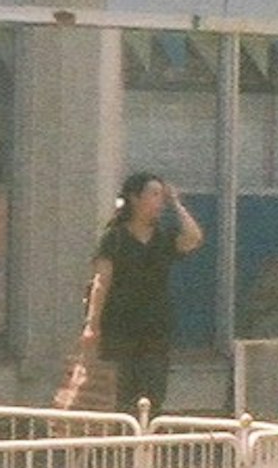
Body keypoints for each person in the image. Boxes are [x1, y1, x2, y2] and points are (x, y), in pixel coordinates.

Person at [67, 172, 201, 415]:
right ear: (135, 198)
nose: (160, 200)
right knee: (121, 392)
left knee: (153, 391)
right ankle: (122, 445)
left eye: (162, 195)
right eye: (154, 194)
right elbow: (101, 281)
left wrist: (177, 204)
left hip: (155, 327)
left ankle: (146, 444)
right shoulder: (114, 238)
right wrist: (92, 325)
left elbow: (193, 238)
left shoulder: (163, 237)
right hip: (119, 327)